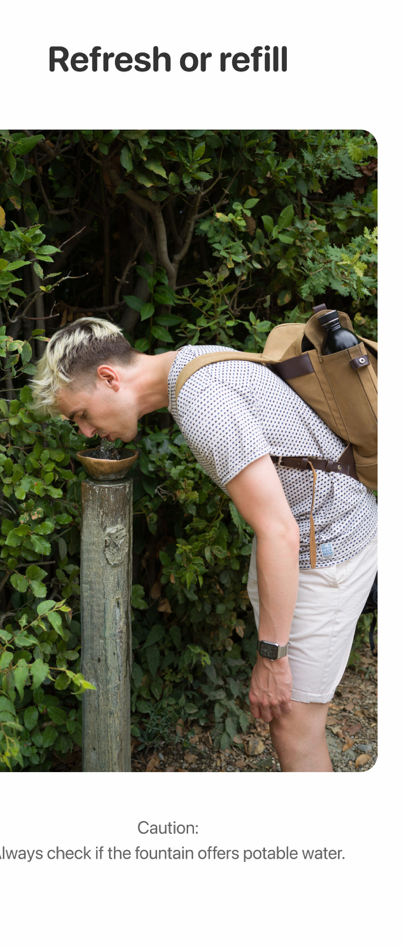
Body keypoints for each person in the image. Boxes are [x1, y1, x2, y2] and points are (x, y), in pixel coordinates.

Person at [31, 316, 378, 773]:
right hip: (319, 538)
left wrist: (272, 658)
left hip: (327, 549)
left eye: (80, 415)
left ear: (109, 378)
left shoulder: (201, 401)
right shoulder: (195, 361)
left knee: (294, 725)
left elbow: (279, 531)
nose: (86, 433)